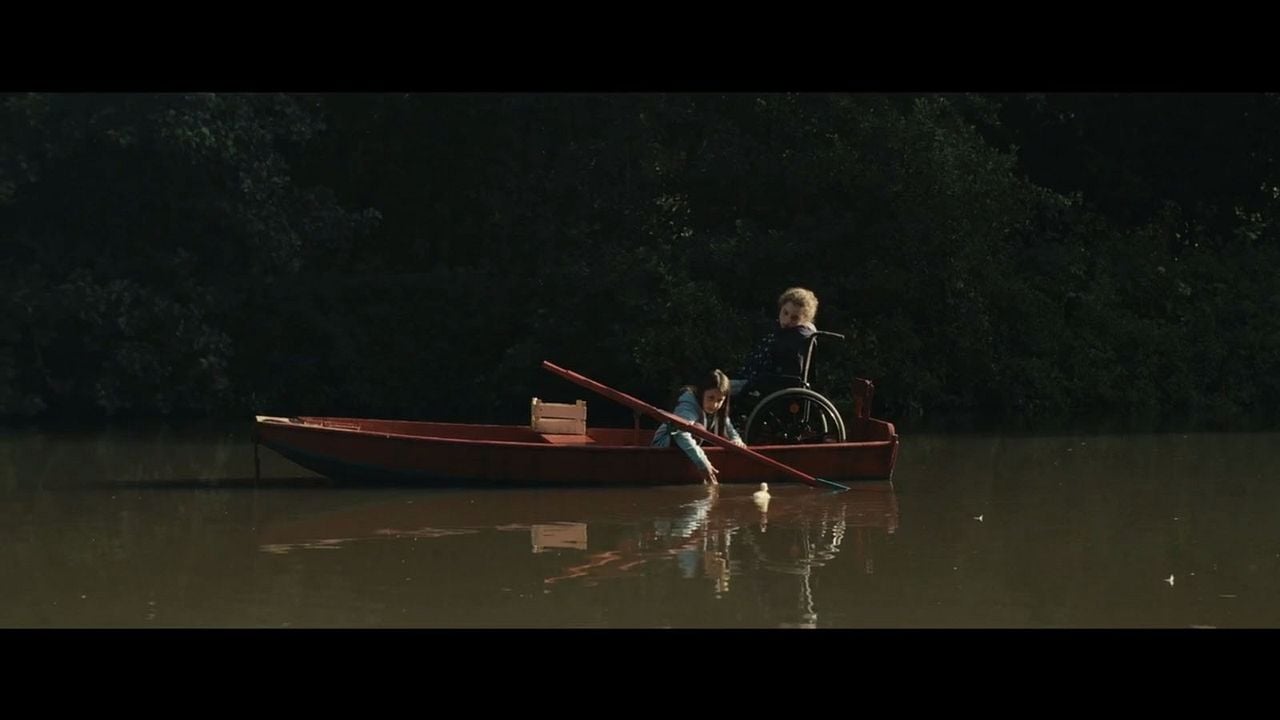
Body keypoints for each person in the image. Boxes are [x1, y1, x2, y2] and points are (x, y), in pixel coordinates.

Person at [651, 368, 745, 484]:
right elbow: (680, 433)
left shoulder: (719, 409)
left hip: (690, 449)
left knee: (704, 432)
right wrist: (703, 463)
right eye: (711, 398)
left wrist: (736, 440)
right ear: (702, 393)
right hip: (664, 446)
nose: (715, 404)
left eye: (720, 400)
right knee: (698, 429)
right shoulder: (688, 404)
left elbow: (728, 426)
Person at [732, 287, 819, 397]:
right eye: (785, 313)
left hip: (759, 386)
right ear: (781, 308)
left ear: (804, 320)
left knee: (714, 388)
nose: (787, 321)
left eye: (794, 318)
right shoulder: (778, 332)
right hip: (752, 380)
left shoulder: (797, 337)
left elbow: (787, 377)